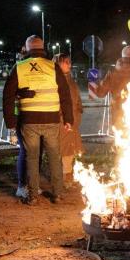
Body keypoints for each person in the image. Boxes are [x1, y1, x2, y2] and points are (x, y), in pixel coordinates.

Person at [2, 36, 73, 204]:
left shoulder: (19, 67)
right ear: (43, 48)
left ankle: (33, 196)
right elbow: (65, 94)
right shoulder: (53, 66)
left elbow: (7, 96)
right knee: (54, 157)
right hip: (51, 119)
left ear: (27, 49)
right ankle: (57, 193)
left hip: (29, 120)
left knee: (31, 158)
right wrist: (68, 118)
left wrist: (10, 122)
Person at [89, 44, 130, 132]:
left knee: (121, 141)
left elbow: (100, 93)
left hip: (118, 115)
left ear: (122, 56)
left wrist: (93, 81)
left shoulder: (112, 73)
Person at [54, 53, 83, 187]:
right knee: (63, 149)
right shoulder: (54, 79)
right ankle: (64, 176)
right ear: (58, 63)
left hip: (72, 120)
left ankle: (68, 173)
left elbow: (76, 98)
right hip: (61, 120)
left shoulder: (70, 79)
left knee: (70, 148)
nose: (69, 65)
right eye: (66, 62)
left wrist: (79, 110)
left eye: (70, 62)